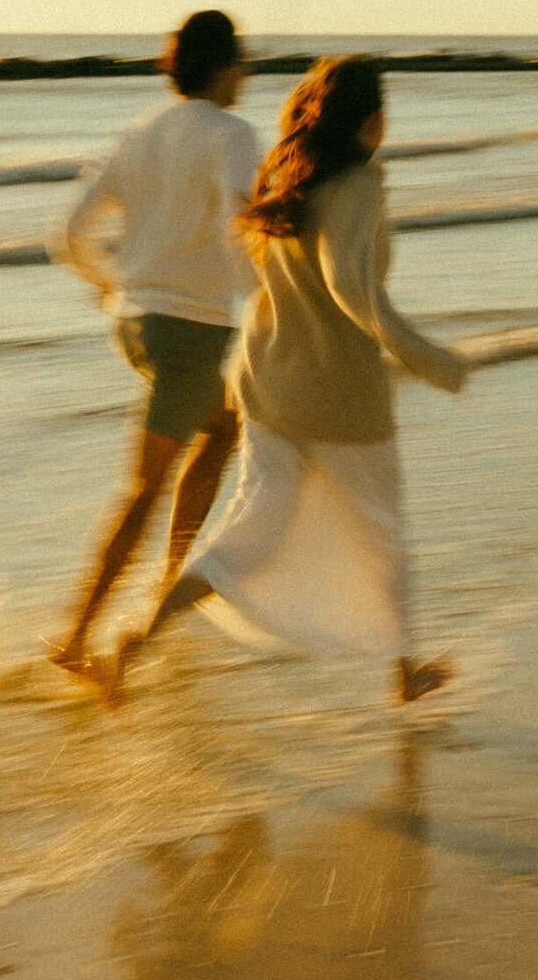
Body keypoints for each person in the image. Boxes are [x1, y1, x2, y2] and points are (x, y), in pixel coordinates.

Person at [123, 54, 468, 705]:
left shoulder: (289, 173)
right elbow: (350, 286)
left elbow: (258, 270)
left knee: (252, 530)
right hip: (338, 394)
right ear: (374, 119)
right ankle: (405, 674)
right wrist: (430, 358)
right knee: (383, 531)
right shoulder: (360, 183)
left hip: (264, 381)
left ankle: (143, 634)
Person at [49, 10, 260, 684]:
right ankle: (80, 635)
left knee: (224, 427)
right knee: (144, 486)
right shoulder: (233, 134)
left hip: (136, 326)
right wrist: (265, 296)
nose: (248, 73)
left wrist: (113, 285)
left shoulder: (137, 132)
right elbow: (241, 228)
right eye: (244, 61)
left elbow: (68, 232)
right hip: (191, 330)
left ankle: (164, 583)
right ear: (224, 67)